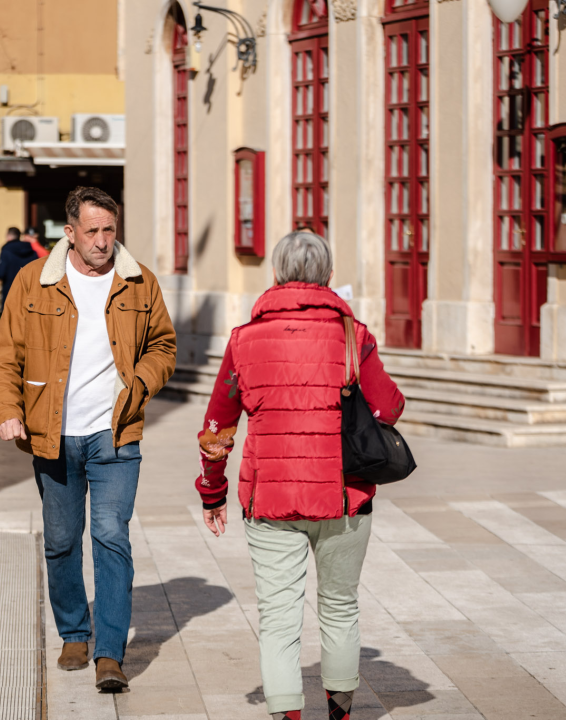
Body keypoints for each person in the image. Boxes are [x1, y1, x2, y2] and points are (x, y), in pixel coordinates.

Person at [193, 231, 404, 720]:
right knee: (340, 604)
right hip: (345, 495)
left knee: (279, 617)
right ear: (328, 277)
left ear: (277, 275)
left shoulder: (244, 340)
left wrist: (213, 490)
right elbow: (389, 405)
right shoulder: (355, 335)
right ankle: (340, 710)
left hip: (271, 498)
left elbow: (217, 426)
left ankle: (287, 713)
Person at [0, 187, 176, 690]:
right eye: (91, 231)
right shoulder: (33, 281)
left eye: (109, 230)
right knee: (62, 541)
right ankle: (74, 632)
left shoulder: (138, 283)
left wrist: (139, 384)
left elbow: (163, 346)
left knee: (111, 535)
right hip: (52, 435)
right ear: (68, 232)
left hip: (115, 433)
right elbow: (5, 355)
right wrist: (8, 411)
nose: (101, 241)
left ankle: (110, 653)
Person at [0, 226, 40, 309]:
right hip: (28, 291)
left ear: (8, 236)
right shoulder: (31, 251)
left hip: (10, 291)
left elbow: (0, 273)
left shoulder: (6, 250)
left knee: (9, 319)